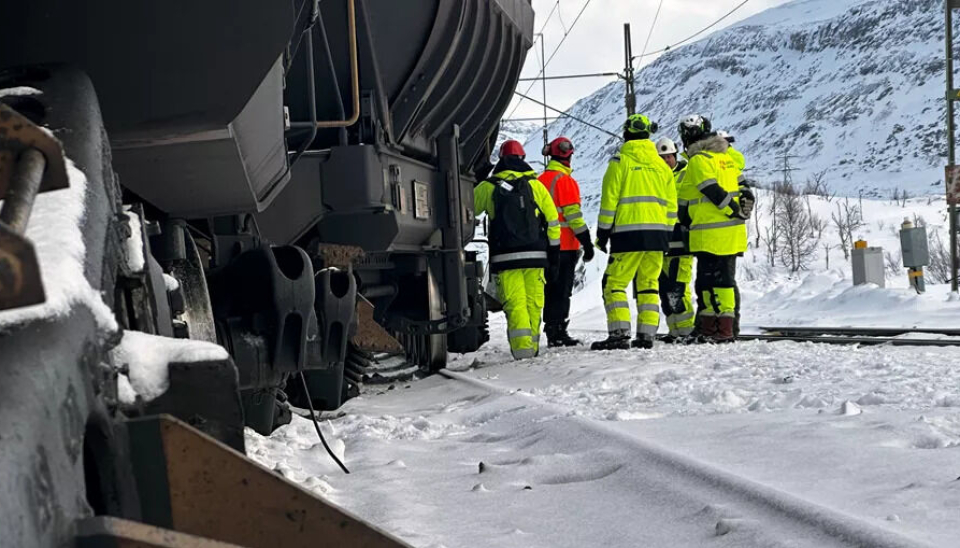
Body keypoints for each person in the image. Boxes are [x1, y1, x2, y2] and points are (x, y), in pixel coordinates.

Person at [591, 114, 677, 351]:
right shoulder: (663, 166)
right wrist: (666, 235)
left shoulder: (620, 162)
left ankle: (619, 334)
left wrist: (603, 234)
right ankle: (646, 336)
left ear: (626, 134)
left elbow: (609, 202)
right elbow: (671, 207)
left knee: (614, 283)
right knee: (648, 285)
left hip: (628, 235)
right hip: (658, 236)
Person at [474, 140, 561, 359]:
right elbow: (552, 222)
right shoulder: (535, 186)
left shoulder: (490, 186)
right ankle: (532, 347)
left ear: (501, 160)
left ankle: (522, 352)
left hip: (506, 258)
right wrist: (554, 255)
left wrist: (478, 179)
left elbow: (469, 208)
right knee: (533, 303)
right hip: (536, 256)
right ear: (523, 159)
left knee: (515, 304)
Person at [676, 115, 754, 342]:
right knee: (711, 282)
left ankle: (722, 330)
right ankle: (712, 329)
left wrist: (731, 209)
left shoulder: (700, 160)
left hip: (711, 232)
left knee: (717, 283)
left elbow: (709, 188)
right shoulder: (725, 158)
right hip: (728, 232)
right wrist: (740, 209)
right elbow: (744, 187)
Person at [537, 137, 595, 347]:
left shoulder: (540, 180)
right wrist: (587, 243)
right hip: (565, 247)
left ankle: (550, 329)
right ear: (569, 156)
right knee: (561, 291)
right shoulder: (565, 181)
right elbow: (574, 217)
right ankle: (558, 331)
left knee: (548, 290)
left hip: (544, 246)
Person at [655, 137, 695, 342]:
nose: (665, 161)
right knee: (665, 291)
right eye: (662, 158)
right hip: (663, 244)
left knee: (678, 290)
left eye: (668, 157)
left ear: (675, 156)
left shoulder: (685, 174)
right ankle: (674, 331)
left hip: (682, 242)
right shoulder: (656, 178)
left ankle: (687, 330)